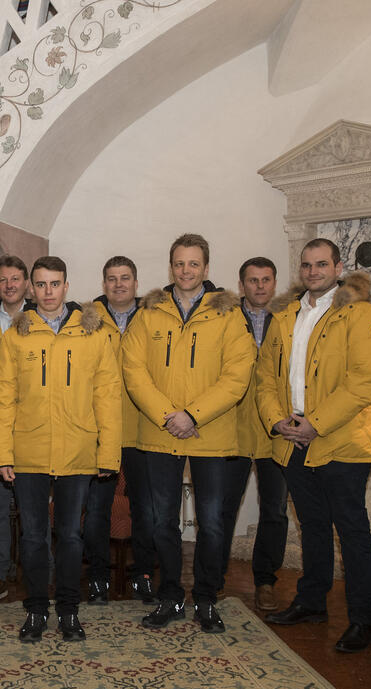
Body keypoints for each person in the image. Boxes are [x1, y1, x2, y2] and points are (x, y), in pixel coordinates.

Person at [121, 234, 255, 633]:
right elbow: (133, 369)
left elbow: (238, 375)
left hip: (211, 433)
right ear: (171, 267)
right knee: (163, 521)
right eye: (179, 264)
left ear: (207, 269)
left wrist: (193, 415)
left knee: (212, 522)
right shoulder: (149, 312)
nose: (186, 271)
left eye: (193, 264)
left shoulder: (229, 315)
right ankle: (170, 595)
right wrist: (168, 415)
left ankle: (207, 598)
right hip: (160, 432)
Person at [258, 238, 371, 654]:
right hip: (294, 438)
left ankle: (363, 619)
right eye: (307, 265)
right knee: (311, 526)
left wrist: (317, 423)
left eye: (321, 265)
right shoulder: (286, 316)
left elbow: (364, 382)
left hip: (341, 441)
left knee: (352, 530)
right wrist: (278, 419)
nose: (313, 272)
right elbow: (265, 376)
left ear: (338, 266)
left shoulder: (360, 314)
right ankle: (312, 603)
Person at [0, 256, 122, 642]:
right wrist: (1, 453)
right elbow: (1, 396)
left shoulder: (93, 335)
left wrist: (108, 454)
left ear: (67, 286)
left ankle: (67, 610)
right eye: (41, 285)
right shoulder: (17, 335)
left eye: (55, 284)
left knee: (70, 535)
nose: (48, 292)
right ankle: (35, 610)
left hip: (77, 451)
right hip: (27, 451)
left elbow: (108, 396)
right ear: (33, 288)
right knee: (32, 536)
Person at [85, 255, 157, 606]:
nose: (118, 284)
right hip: (102, 431)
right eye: (111, 278)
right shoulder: (87, 322)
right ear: (104, 284)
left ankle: (143, 575)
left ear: (136, 282)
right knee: (96, 510)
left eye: (125, 278)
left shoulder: (155, 318)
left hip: (144, 428)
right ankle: (97, 578)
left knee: (146, 509)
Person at [220, 257, 289, 611]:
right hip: (232, 428)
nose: (259, 286)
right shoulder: (225, 317)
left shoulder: (290, 319)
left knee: (274, 510)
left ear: (274, 283)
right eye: (252, 280)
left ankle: (265, 581)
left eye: (265, 280)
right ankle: (213, 578)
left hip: (276, 430)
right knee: (222, 509)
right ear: (241, 284)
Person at [0, 255, 30, 606]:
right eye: (3, 280)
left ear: (26, 283)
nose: (10, 285)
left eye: (16, 279)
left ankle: (37, 574)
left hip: (34, 427)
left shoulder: (44, 316)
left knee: (33, 508)